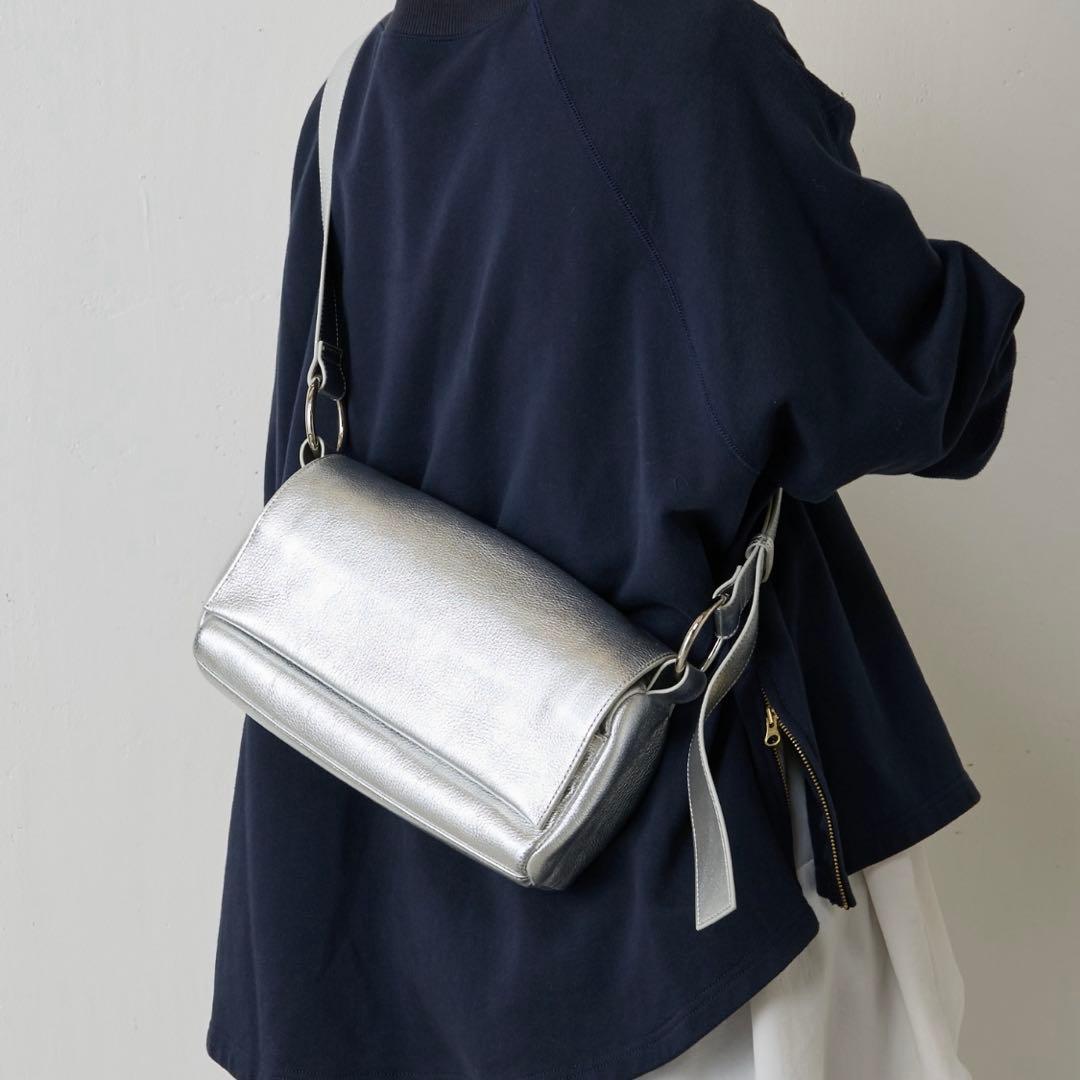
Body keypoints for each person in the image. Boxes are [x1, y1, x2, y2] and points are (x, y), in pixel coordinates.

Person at [206, 2, 1024, 1077]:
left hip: (387, 901)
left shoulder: (350, 99)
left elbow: (308, 476)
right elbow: (916, 380)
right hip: (673, 905)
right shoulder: (676, 47)